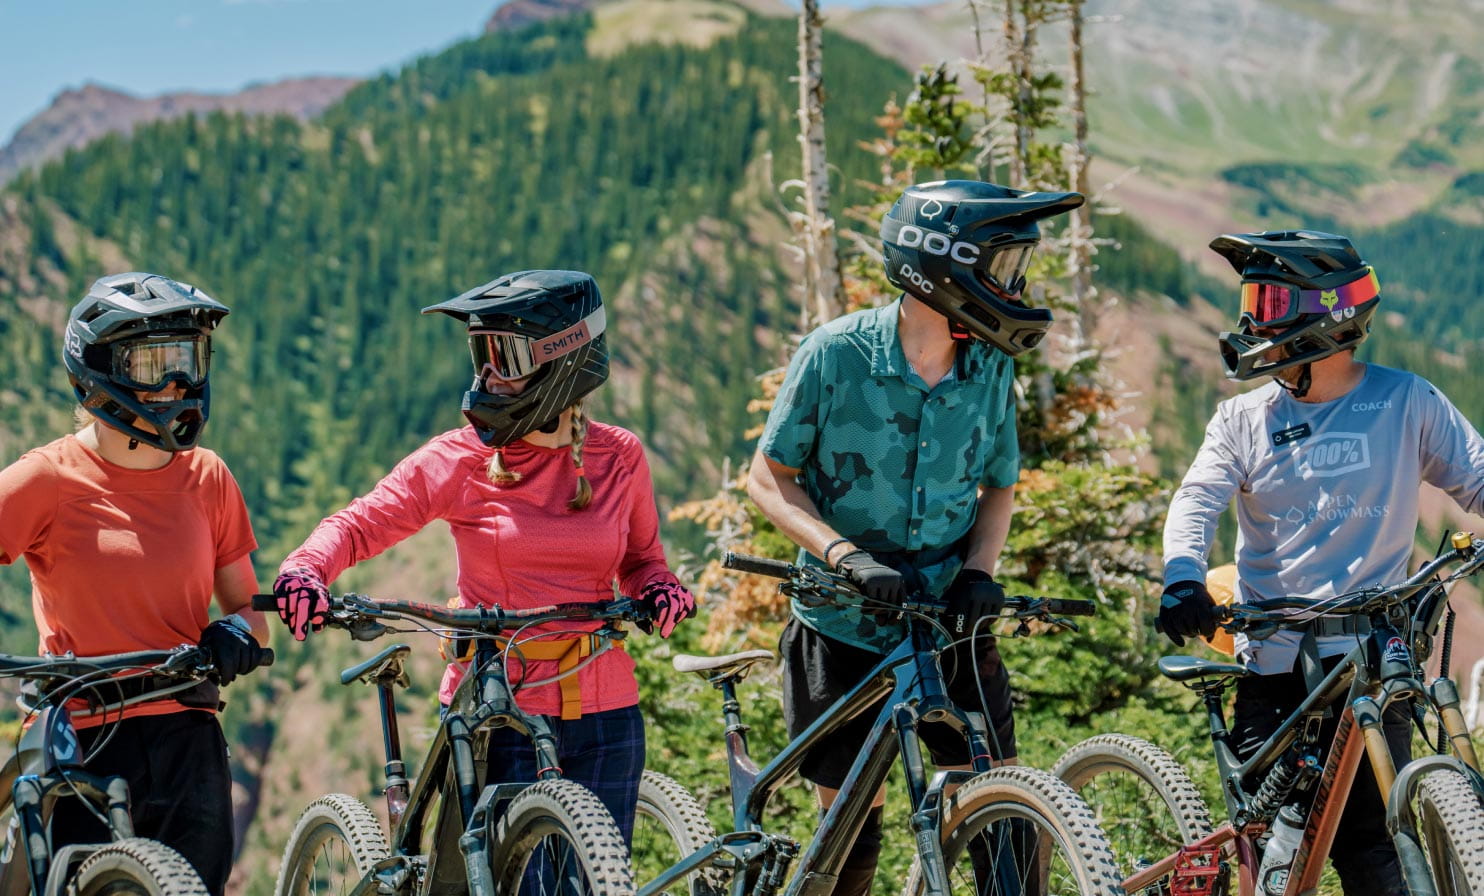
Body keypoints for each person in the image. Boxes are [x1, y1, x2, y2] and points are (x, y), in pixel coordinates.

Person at [270, 268, 695, 846]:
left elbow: (643, 560)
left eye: (507, 356)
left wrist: (659, 586)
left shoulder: (619, 456)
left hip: (606, 714)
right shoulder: (459, 458)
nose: (488, 374)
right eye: (481, 354)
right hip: (498, 711)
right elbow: (356, 525)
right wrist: (304, 571)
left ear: (564, 362)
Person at [746, 179, 1084, 895]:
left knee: (999, 806)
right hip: (841, 623)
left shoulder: (990, 365)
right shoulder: (835, 354)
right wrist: (844, 556)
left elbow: (999, 483)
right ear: (946, 267)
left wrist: (979, 573)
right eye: (1004, 267)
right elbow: (768, 477)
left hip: (949, 621)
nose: (1014, 286)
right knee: (851, 829)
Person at [1160, 230, 1484, 896]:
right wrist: (1182, 576)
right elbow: (1195, 503)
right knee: (1280, 844)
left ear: (1325, 314)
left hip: (1374, 657)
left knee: (1375, 843)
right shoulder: (1242, 419)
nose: (1253, 317)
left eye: (1269, 300)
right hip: (1278, 666)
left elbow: (1478, 477)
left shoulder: (1406, 401)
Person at [0, 272, 272, 896]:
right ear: (99, 369)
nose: (179, 382)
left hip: (188, 733)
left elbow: (248, 611)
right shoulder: (46, 479)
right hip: (83, 734)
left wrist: (234, 634)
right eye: (156, 363)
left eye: (189, 359)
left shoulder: (209, 478)